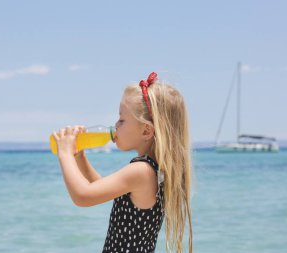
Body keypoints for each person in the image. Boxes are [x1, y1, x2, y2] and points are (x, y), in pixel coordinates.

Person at [52, 72, 193, 252]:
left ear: (146, 131)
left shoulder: (141, 171)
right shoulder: (154, 170)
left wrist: (64, 154)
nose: (116, 125)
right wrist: (80, 158)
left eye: (122, 120)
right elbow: (100, 187)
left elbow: (83, 196)